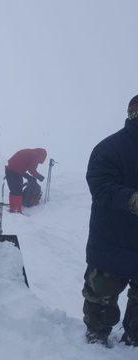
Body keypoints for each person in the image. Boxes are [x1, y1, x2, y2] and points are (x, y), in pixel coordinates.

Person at [82, 95, 138, 347]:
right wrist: (132, 200)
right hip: (112, 240)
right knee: (100, 299)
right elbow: (100, 186)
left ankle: (133, 339)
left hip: (117, 242)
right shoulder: (110, 147)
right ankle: (96, 340)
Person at [5, 148, 47, 213]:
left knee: (14, 189)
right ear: (42, 156)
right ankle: (17, 209)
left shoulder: (31, 153)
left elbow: (22, 165)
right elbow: (31, 170)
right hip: (15, 171)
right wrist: (39, 177)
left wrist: (28, 176)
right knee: (17, 190)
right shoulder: (34, 156)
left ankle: (13, 207)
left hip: (10, 170)